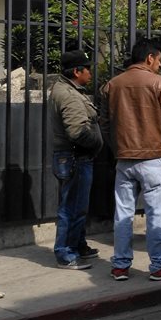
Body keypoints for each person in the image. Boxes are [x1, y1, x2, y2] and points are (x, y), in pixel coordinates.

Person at [100, 38, 161, 281]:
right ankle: (160, 265)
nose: (159, 65)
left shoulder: (112, 85)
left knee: (123, 214)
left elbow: (103, 124)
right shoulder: (159, 83)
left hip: (124, 159)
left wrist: (117, 148)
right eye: (158, 60)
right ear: (149, 58)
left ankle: (121, 265)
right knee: (156, 214)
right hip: (153, 158)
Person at [47, 49, 103, 269]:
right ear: (77, 71)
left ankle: (78, 244)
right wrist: (97, 143)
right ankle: (65, 253)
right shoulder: (69, 95)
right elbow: (77, 132)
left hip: (73, 157)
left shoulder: (69, 89)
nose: (90, 73)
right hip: (75, 157)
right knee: (71, 207)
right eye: (87, 69)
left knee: (78, 205)